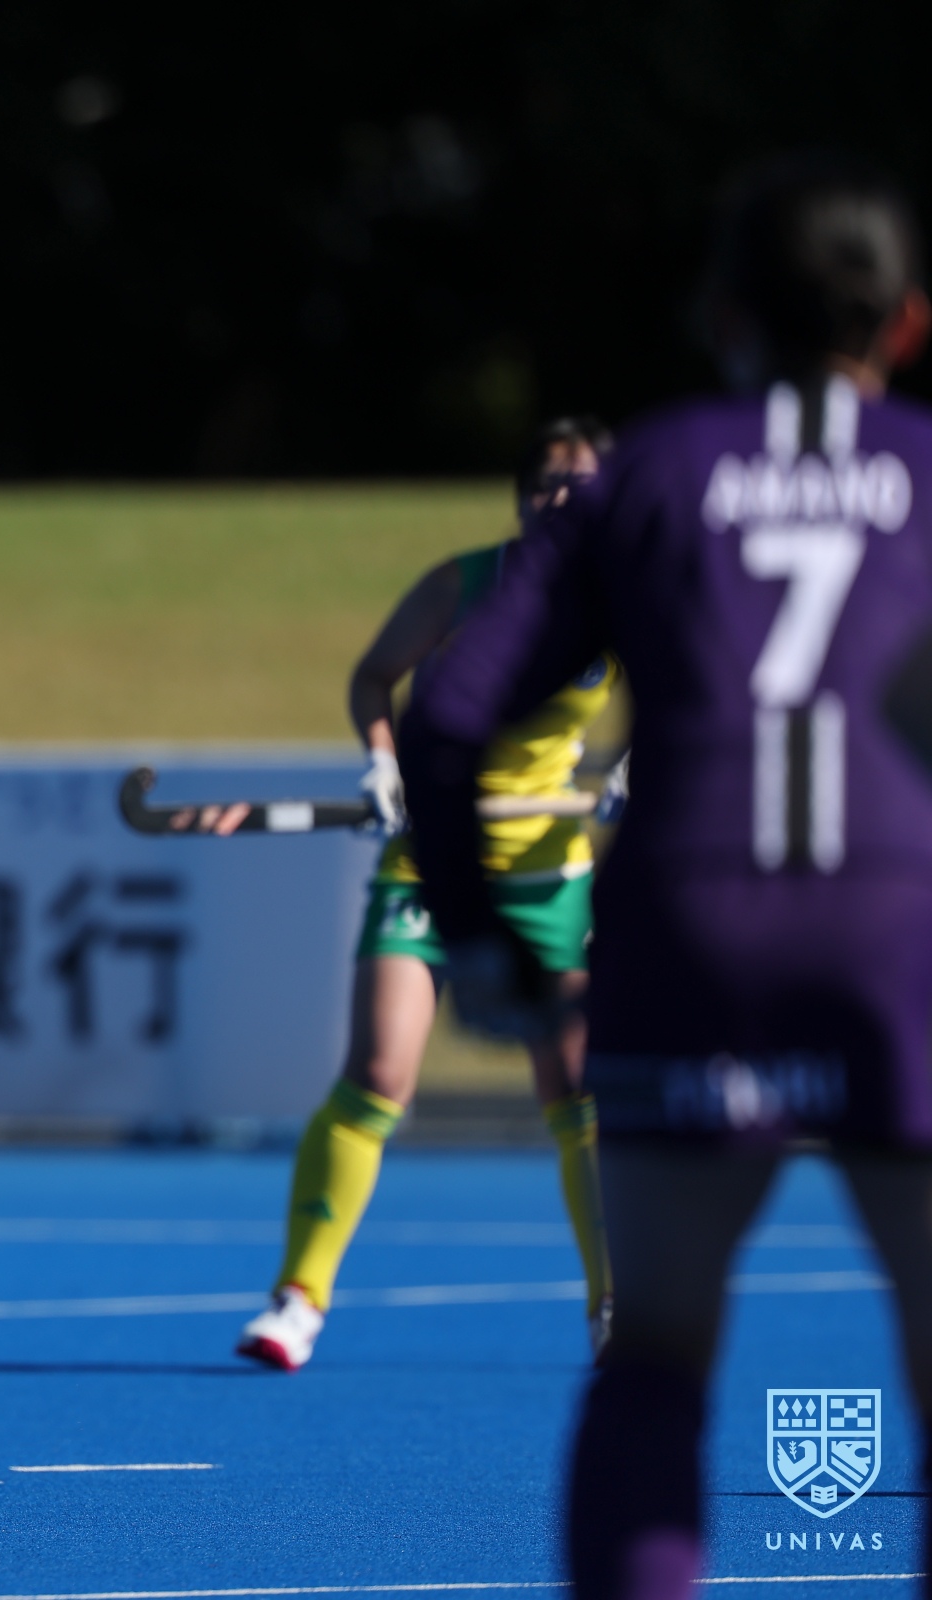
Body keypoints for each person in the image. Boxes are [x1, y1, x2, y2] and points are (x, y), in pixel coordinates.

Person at [399, 155, 932, 1600]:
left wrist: (484, 941)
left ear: (720, 314)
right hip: (906, 938)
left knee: (657, 1357)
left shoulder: (648, 472)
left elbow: (449, 717)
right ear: (909, 321)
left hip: (691, 930)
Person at [234, 420, 620, 1373]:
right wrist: (381, 760)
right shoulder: (462, 584)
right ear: (518, 499)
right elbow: (375, 677)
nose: (559, 501)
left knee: (577, 1088)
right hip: (433, 857)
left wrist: (637, 765)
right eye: (544, 484)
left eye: (580, 485)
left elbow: (695, 684)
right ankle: (297, 1300)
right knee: (379, 1072)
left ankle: (614, 1308)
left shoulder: (629, 592)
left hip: (549, 868)